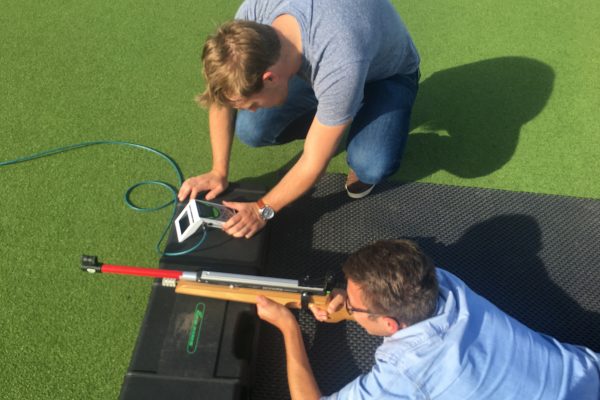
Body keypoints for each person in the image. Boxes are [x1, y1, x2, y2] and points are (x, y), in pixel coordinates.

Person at [177, 0, 421, 238]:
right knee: (253, 129)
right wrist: (218, 171)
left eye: (252, 104)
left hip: (386, 75)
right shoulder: (249, 20)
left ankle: (344, 115)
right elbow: (222, 98)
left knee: (370, 163)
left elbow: (314, 161)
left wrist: (262, 210)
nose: (252, 109)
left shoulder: (339, 60)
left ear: (270, 78)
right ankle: (337, 114)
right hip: (335, 70)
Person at [255, 239, 600, 399]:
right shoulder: (441, 281)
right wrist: (351, 304)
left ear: (390, 325)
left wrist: (289, 327)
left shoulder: (407, 370)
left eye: (354, 307)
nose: (348, 305)